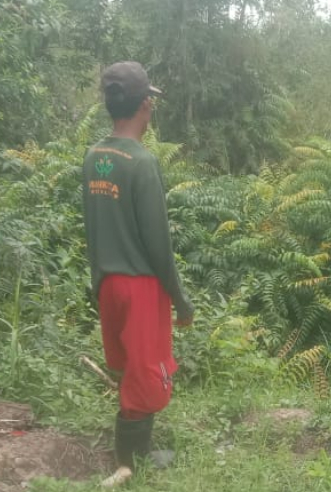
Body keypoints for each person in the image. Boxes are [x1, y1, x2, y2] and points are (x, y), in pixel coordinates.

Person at [82, 61, 194, 472]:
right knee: (146, 369)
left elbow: (93, 228)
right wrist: (181, 301)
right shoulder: (142, 162)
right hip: (141, 284)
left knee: (130, 364)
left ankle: (130, 450)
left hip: (108, 282)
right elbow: (158, 243)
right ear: (145, 104)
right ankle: (133, 457)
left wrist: (98, 282)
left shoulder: (94, 157)